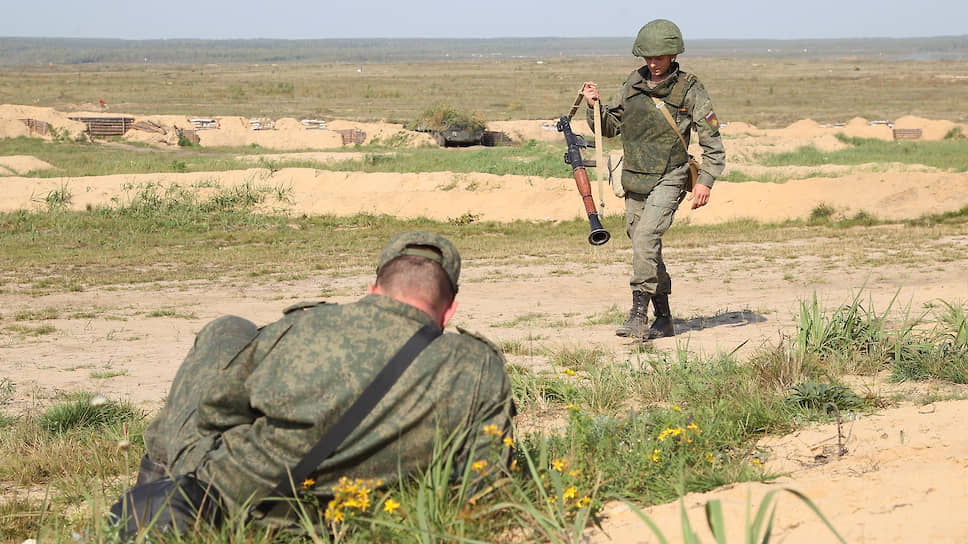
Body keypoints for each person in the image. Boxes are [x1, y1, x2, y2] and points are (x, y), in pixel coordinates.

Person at [113, 231, 514, 536]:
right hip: (360, 518)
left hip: (238, 498)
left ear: (373, 290)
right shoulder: (478, 366)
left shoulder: (302, 326)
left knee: (227, 329)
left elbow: (217, 411)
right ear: (450, 310)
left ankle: (161, 492)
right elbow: (485, 472)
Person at [582, 19, 726, 341]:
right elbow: (609, 127)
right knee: (643, 245)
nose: (653, 64)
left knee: (646, 237)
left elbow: (712, 143)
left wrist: (704, 182)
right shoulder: (632, 85)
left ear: (673, 55)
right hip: (634, 178)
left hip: (670, 175)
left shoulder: (690, 89)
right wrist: (594, 107)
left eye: (659, 58)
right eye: (647, 58)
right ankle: (664, 318)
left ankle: (638, 313)